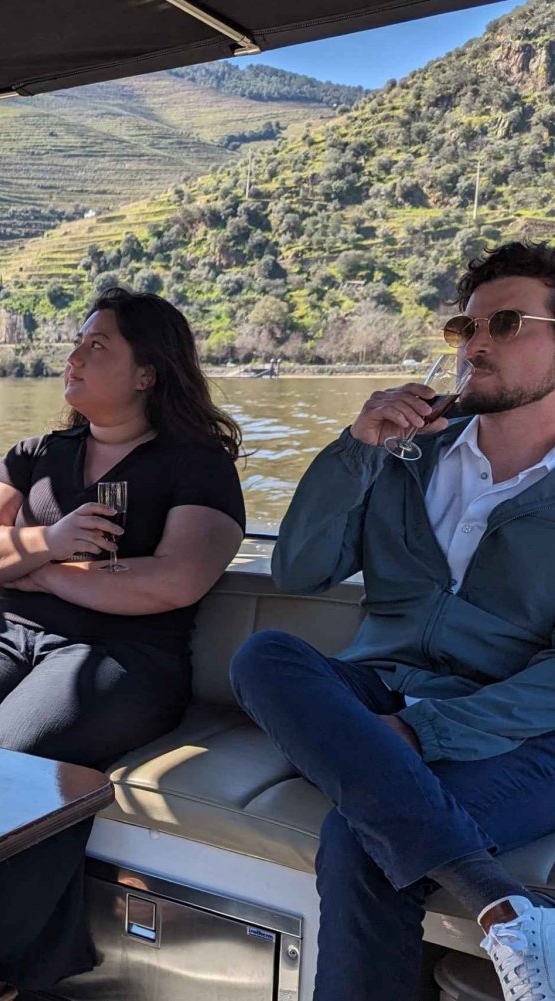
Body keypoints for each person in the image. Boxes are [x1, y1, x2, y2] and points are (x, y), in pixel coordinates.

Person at [0, 287, 245, 1001]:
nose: (74, 355)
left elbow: (174, 580)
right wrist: (48, 543)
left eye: (97, 345)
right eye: (77, 341)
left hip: (128, 655)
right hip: (9, 633)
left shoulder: (196, 462)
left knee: (18, 753)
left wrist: (38, 569)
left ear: (147, 372)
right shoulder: (34, 455)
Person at [230, 241, 555, 1001]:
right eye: (464, 327)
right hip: (383, 690)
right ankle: (504, 907)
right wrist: (358, 447)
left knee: (360, 837)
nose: (475, 343)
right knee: (264, 657)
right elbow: (299, 570)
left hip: (521, 732)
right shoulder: (408, 456)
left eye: (506, 323)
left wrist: (427, 735)